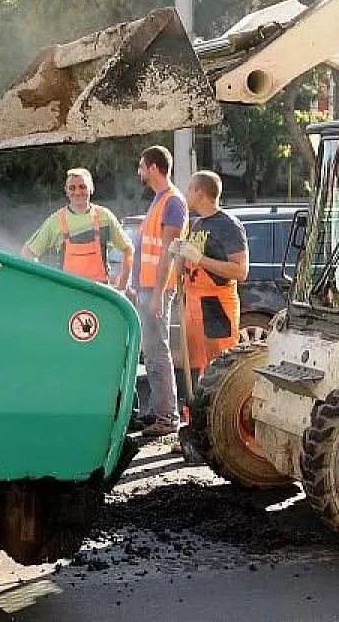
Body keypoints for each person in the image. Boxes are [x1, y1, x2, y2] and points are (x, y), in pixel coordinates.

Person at [171, 170, 249, 387]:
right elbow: (184, 268)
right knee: (195, 369)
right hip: (193, 304)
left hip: (216, 306)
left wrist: (201, 259)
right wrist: (178, 254)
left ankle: (217, 415)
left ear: (200, 192)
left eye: (189, 188)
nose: (185, 193)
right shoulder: (196, 225)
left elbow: (240, 272)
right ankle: (195, 414)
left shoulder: (228, 225)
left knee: (220, 369)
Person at [133, 145, 188, 438]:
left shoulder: (173, 202)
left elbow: (167, 253)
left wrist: (156, 294)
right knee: (151, 353)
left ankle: (167, 417)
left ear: (153, 167)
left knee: (157, 352)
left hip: (156, 291)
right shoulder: (159, 201)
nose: (139, 171)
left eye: (141, 166)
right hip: (146, 289)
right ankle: (158, 412)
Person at [22, 168, 133, 289]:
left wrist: (122, 286)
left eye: (82, 186)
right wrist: (45, 284)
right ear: (66, 191)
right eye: (72, 188)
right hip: (68, 294)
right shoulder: (56, 221)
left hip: (100, 295)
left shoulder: (104, 216)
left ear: (91, 188)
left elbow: (128, 249)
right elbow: (28, 253)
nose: (77, 192)